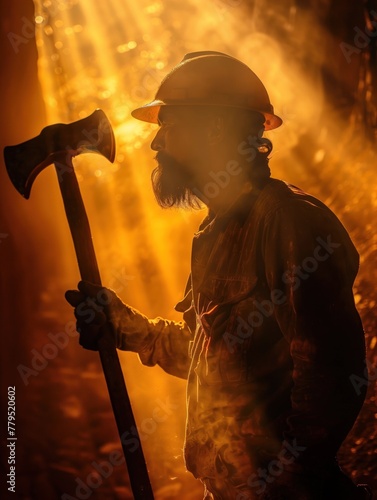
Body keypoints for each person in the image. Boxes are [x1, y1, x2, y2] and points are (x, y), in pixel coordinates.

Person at [65, 51, 372, 499]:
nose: (156, 144)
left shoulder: (290, 223)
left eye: (169, 125)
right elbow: (208, 357)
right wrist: (124, 327)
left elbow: (332, 375)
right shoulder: (214, 233)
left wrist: (284, 477)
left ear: (214, 127)